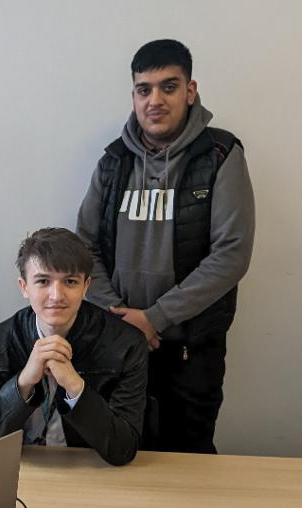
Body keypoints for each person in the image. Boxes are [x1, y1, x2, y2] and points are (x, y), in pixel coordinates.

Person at [76, 39, 255, 454]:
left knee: (189, 461)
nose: (154, 100)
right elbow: (83, 246)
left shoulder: (221, 153)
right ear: (134, 95)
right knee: (120, 454)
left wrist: (154, 318)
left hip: (191, 350)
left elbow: (231, 254)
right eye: (144, 89)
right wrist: (120, 318)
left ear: (190, 91)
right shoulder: (114, 160)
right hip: (117, 341)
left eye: (168, 87)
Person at [0, 228, 147, 466]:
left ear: (85, 286)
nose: (56, 295)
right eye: (43, 281)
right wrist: (23, 383)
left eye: (70, 282)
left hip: (90, 468)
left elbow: (123, 449)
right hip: (21, 467)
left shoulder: (127, 344)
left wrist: (74, 386)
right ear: (24, 287)